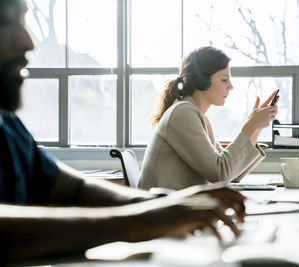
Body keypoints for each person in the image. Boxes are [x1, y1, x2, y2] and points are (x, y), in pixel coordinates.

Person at [0, 0, 246, 263]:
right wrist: (140, 220)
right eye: (5, 20)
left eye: (23, 21)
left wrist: (161, 204)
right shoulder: (184, 112)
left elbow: (78, 188)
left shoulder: (9, 126)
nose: (28, 42)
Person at [139, 46, 279, 190]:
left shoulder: (198, 117)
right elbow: (220, 174)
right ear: (202, 81)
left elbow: (232, 174)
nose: (231, 86)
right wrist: (250, 126)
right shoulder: (183, 113)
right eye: (224, 80)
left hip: (179, 206)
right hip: (165, 209)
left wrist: (256, 128)